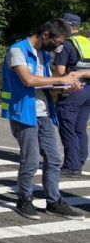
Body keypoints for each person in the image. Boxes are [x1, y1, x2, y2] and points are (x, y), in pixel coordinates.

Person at [1, 18, 84, 220]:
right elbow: (28, 80)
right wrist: (61, 79)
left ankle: (53, 201)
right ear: (46, 35)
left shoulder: (43, 55)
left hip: (45, 112)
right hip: (23, 112)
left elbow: (45, 84)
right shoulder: (17, 51)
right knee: (30, 160)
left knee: (54, 159)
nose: (59, 47)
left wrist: (67, 86)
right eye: (58, 42)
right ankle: (24, 200)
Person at [54, 13, 90, 177]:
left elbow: (61, 72)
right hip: (88, 91)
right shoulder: (86, 42)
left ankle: (72, 166)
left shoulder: (65, 45)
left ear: (67, 26)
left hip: (72, 90)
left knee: (67, 127)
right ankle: (79, 161)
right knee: (80, 128)